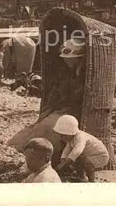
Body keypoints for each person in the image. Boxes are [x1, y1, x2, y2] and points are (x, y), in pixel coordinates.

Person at [7, 37, 87, 165]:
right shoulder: (68, 73)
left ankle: (44, 153)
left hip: (72, 111)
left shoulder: (83, 75)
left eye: (68, 57)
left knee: (48, 127)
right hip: (62, 109)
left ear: (77, 58)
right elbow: (59, 93)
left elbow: (76, 98)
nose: (65, 59)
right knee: (38, 125)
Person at [53, 115, 109, 183]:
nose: (61, 138)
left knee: (82, 159)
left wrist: (66, 162)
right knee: (78, 159)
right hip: (89, 156)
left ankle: (92, 181)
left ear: (70, 133)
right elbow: (67, 149)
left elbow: (77, 151)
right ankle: (81, 177)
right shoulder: (71, 139)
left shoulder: (80, 137)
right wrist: (63, 159)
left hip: (100, 156)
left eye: (63, 135)